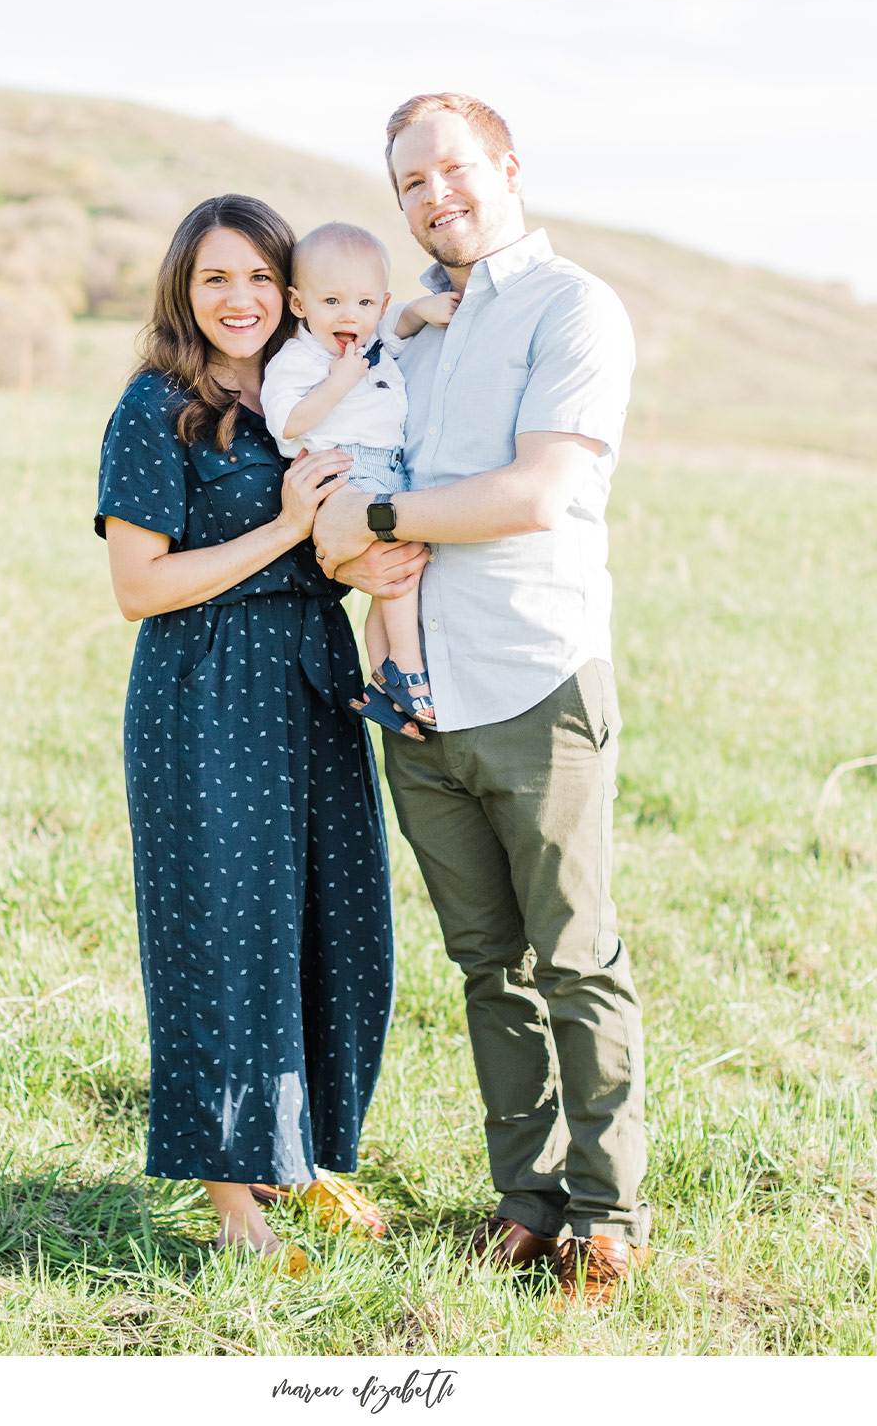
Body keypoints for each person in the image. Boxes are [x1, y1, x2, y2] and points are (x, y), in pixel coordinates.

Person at [314, 94, 651, 1305]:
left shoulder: (575, 309)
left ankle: (607, 1217)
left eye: (450, 170)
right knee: (484, 964)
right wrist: (348, 540)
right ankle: (526, 1200)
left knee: (573, 956)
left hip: (532, 675)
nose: (432, 197)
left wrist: (381, 524)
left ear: (506, 167)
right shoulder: (408, 338)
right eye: (409, 183)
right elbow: (340, 492)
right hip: (415, 696)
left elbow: (536, 490)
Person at [95, 194, 425, 1274]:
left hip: (311, 677)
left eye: (256, 278)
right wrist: (286, 525)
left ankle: (306, 1157)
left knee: (339, 927)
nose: (238, 299)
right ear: (183, 295)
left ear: (289, 291)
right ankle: (235, 1202)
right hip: (201, 688)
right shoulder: (156, 409)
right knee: (224, 940)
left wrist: (360, 562)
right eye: (212, 280)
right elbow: (139, 588)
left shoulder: (317, 395)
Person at [260, 220, 459, 735]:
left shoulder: (370, 342)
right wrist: (336, 383)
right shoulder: (301, 358)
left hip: (385, 468)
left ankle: (382, 683)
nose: (351, 315)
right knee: (400, 572)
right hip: (343, 472)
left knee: (389, 578)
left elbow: (395, 324)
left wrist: (419, 311)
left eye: (364, 304)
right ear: (299, 304)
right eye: (332, 302)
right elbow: (286, 422)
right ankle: (408, 668)